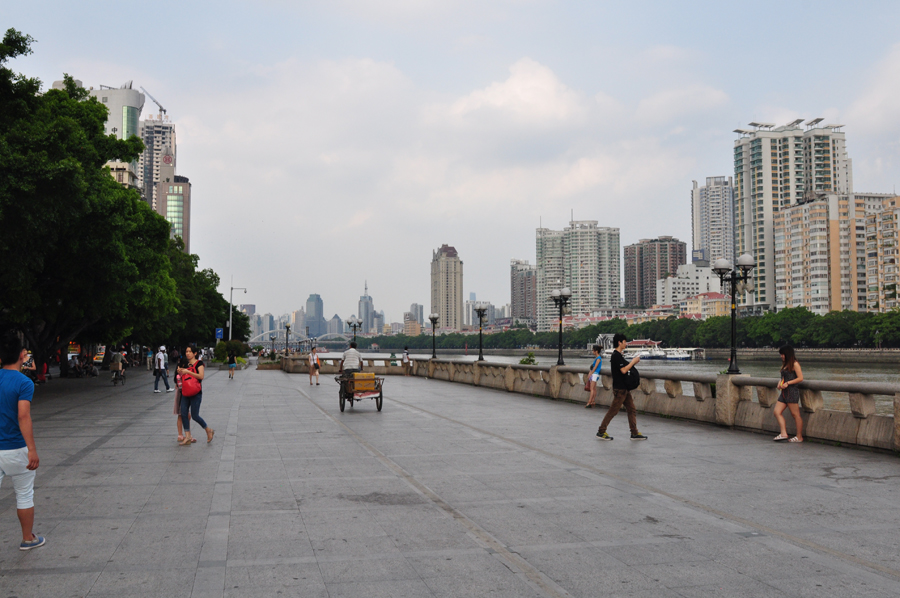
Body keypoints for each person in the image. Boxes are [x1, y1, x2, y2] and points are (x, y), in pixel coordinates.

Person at [0, 332, 45, 550]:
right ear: (22, 354)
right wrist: (32, 450)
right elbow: (23, 415)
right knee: (24, 494)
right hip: (17, 449)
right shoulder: (24, 382)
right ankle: (28, 538)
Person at [597, 333, 647, 441]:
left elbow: (624, 367)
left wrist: (632, 363)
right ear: (620, 342)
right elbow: (623, 370)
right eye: (625, 342)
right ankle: (601, 431)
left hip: (624, 389)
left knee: (631, 409)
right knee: (613, 411)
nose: (626, 343)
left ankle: (634, 432)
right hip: (620, 389)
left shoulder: (619, 355)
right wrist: (633, 362)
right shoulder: (616, 355)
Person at [176, 345, 214, 446]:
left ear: (195, 353)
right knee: (183, 413)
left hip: (195, 393)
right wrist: (180, 372)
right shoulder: (184, 363)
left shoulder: (199, 364)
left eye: (190, 351)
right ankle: (187, 436)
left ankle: (208, 430)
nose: (187, 353)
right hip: (185, 392)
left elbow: (201, 376)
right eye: (186, 351)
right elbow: (181, 376)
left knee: (195, 415)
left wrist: (188, 371)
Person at [773, 345, 804, 443]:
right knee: (777, 412)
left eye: (783, 354)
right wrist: (780, 382)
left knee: (795, 415)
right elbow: (783, 377)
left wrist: (788, 383)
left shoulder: (795, 364)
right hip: (784, 392)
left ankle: (799, 436)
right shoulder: (785, 364)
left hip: (791, 392)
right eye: (781, 354)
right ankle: (783, 433)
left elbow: (800, 378)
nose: (781, 356)